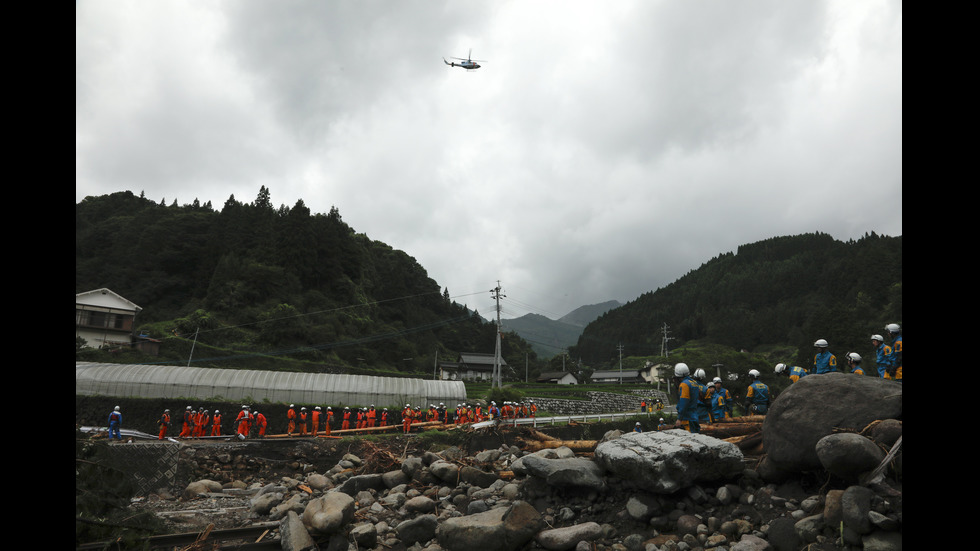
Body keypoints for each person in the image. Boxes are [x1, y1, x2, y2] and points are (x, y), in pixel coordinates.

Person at [673, 363, 701, 433]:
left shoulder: (684, 384)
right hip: (694, 416)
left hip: (687, 418)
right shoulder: (694, 383)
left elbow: (684, 402)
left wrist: (679, 418)